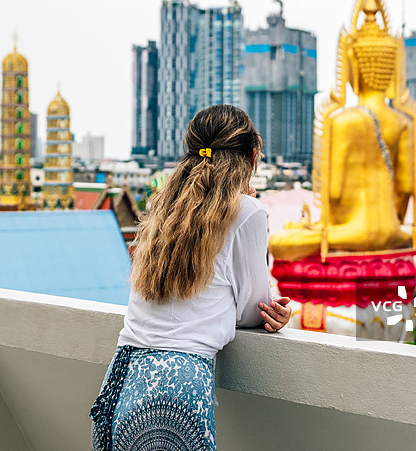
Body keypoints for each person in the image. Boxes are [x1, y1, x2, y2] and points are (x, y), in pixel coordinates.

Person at [90, 104, 291, 450]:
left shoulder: (163, 205)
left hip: (122, 377)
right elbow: (253, 311)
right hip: (178, 386)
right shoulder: (249, 213)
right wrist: (277, 314)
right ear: (252, 156)